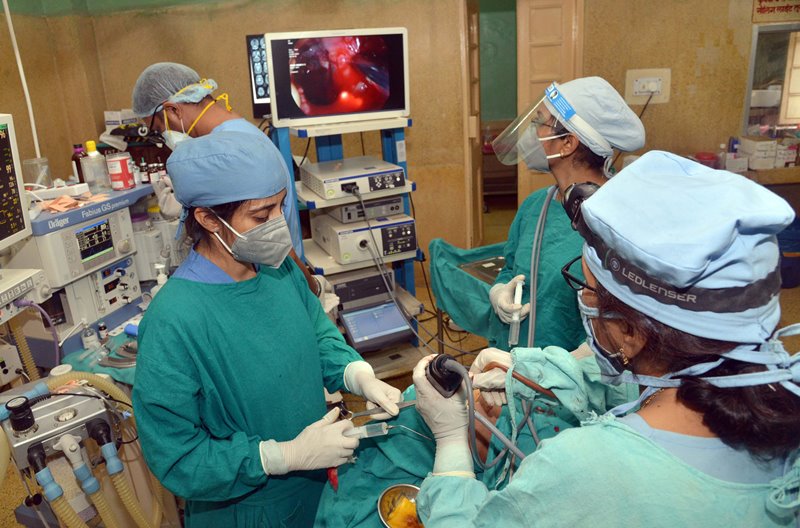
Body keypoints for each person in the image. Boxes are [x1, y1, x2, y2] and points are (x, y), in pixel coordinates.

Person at [413, 150, 800, 527]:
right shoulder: (777, 395)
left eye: (587, 288)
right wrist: (529, 367)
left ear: (629, 333)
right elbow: (624, 386)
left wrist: (451, 446)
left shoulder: (584, 472)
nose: (583, 298)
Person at [132, 131, 402, 527]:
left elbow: (316, 333)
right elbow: (177, 457)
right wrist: (280, 456)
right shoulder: (174, 320)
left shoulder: (279, 268)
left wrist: (355, 374)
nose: (278, 224)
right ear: (208, 219)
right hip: (246, 510)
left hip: (316, 488)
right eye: (261, 216)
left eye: (281, 206)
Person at [131, 62, 331, 299]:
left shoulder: (232, 151)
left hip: (271, 280)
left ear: (173, 110)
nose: (163, 137)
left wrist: (310, 288)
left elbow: (270, 236)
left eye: (158, 129)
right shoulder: (238, 137)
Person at [485, 76, 646, 351]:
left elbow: (629, 325)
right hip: (519, 367)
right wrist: (499, 291)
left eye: (539, 122)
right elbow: (511, 267)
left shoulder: (618, 221)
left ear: (567, 144)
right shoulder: (535, 206)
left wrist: (586, 358)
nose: (532, 133)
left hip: (573, 374)